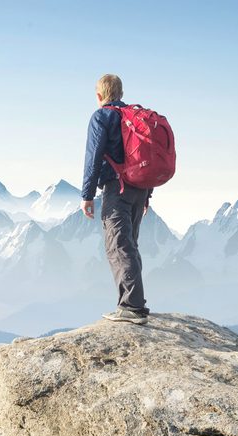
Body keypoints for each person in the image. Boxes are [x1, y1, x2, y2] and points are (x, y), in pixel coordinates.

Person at [80, 74, 152, 325]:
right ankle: (132, 304)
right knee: (129, 244)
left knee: (119, 246)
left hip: (116, 188)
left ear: (99, 95)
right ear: (120, 93)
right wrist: (147, 194)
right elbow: (146, 156)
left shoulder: (102, 116)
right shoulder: (135, 117)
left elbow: (93, 157)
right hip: (139, 188)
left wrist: (87, 195)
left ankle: (132, 307)